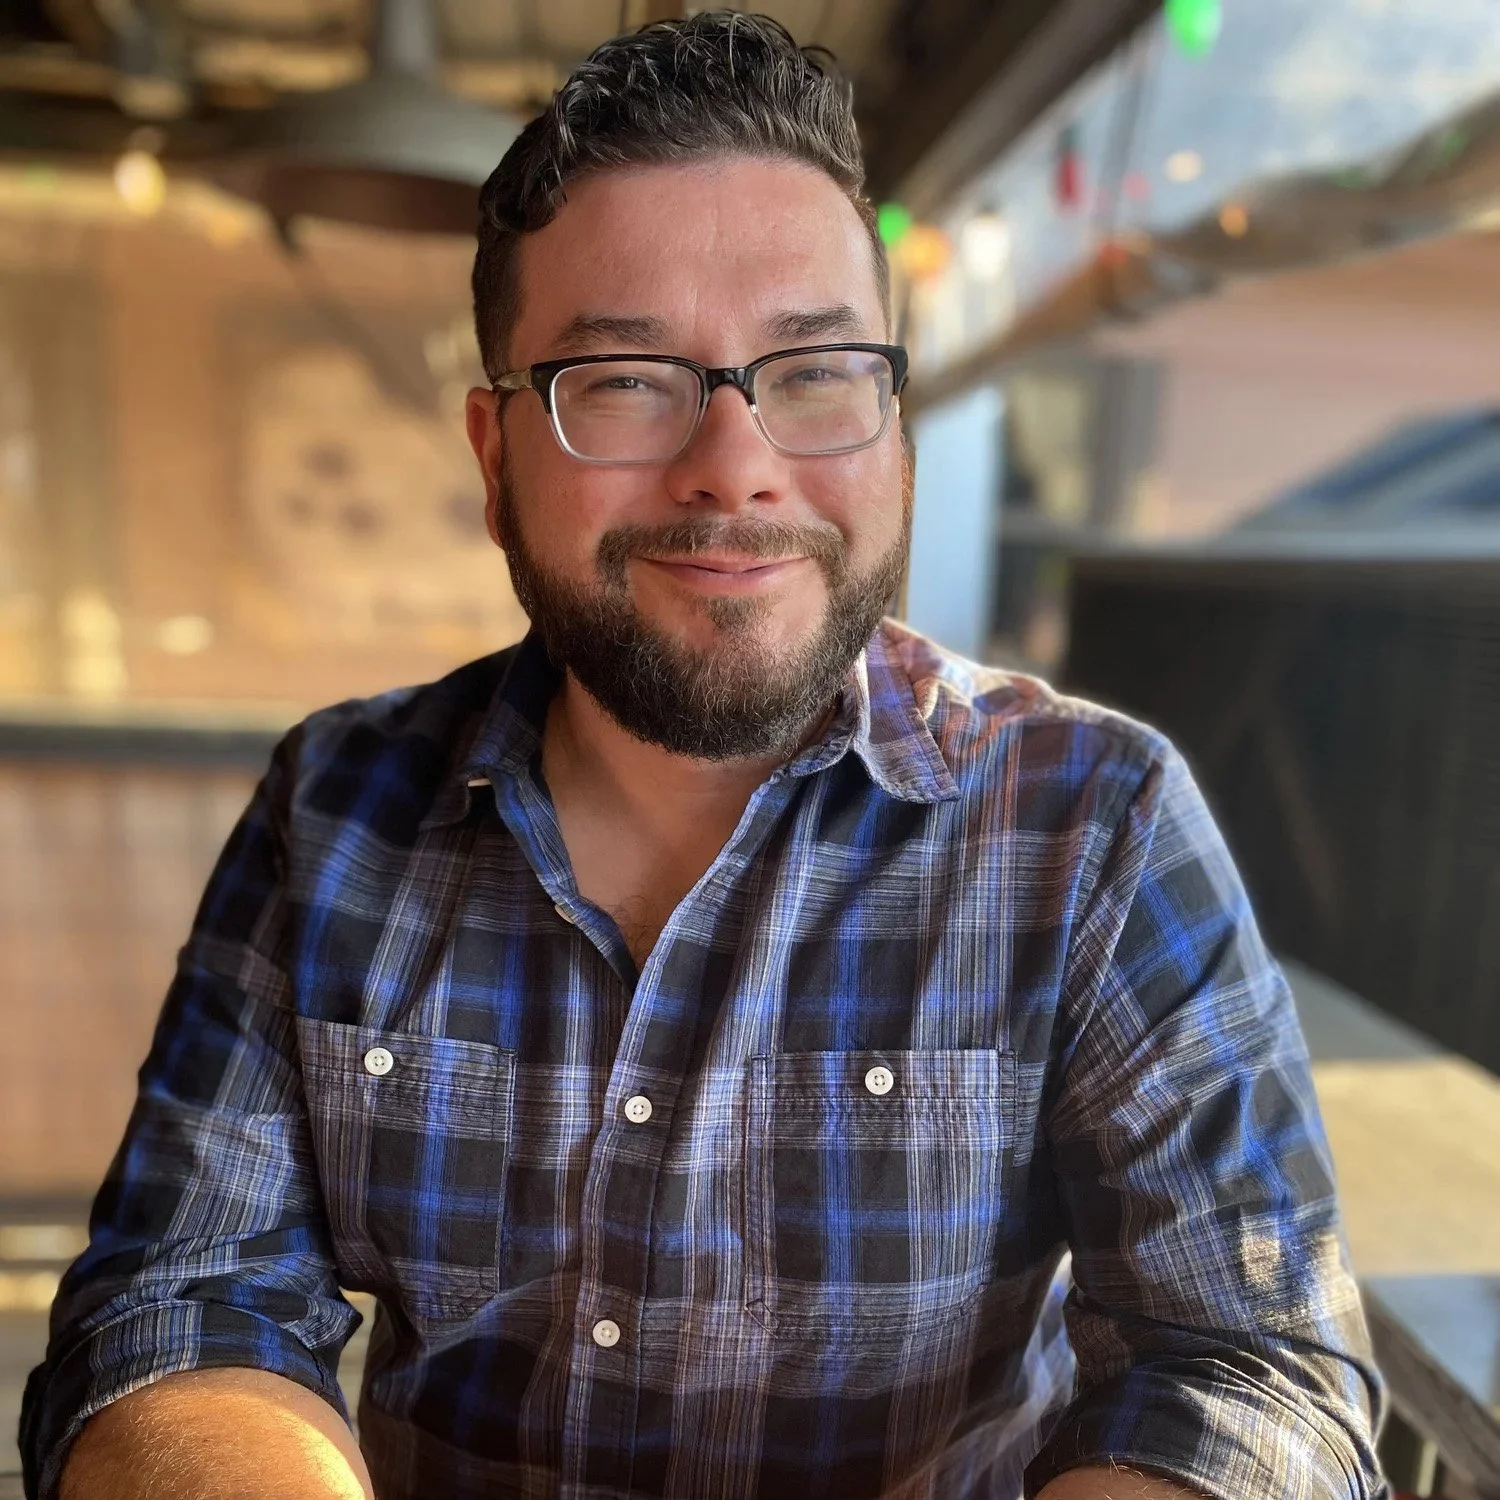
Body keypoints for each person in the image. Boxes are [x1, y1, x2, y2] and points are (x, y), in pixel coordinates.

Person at [21, 13, 1389, 1500]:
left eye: (813, 373)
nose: (735, 463)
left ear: (896, 427)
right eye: (624, 380)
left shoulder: (1093, 819)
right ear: (496, 461)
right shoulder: (338, 806)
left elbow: (1253, 1374)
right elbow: (182, 1300)